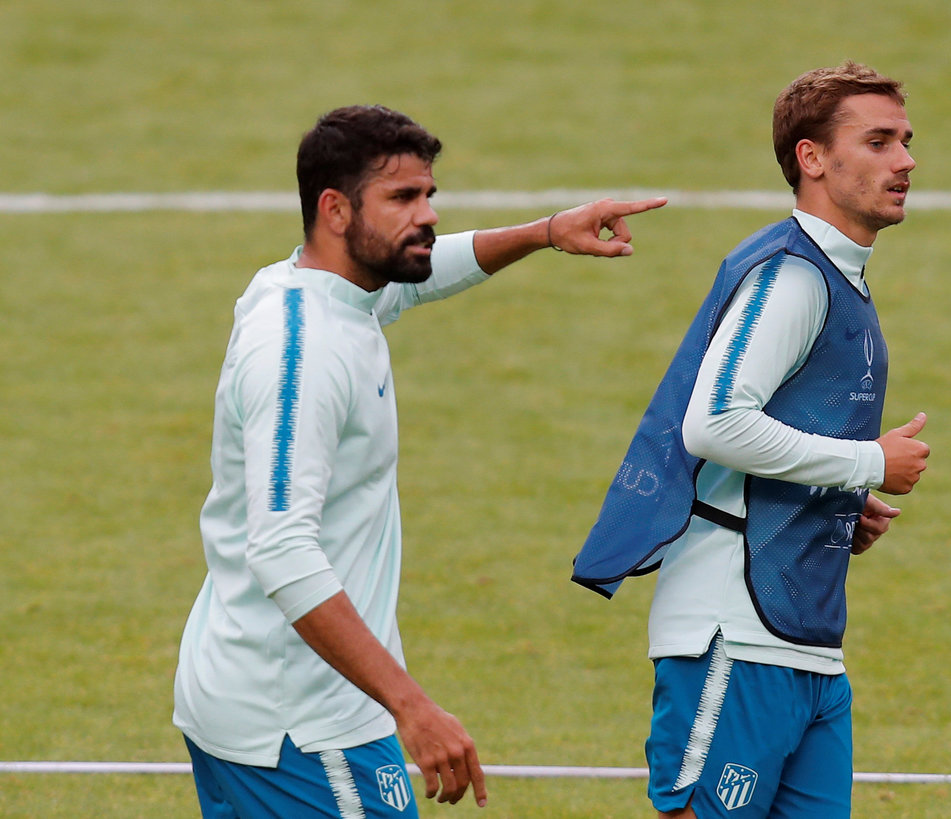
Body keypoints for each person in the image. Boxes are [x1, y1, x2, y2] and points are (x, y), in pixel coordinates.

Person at [172, 104, 666, 818]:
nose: (428, 214)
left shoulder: (324, 291)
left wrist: (545, 232)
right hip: (303, 725)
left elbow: (421, 276)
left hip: (262, 703)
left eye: (429, 194)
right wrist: (412, 706)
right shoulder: (302, 355)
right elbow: (281, 549)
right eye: (403, 197)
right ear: (336, 210)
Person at [572, 62, 930, 818]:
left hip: (806, 644)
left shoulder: (837, 275)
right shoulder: (794, 277)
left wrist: (837, 498)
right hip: (735, 636)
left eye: (905, 140)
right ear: (812, 158)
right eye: (878, 142)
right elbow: (716, 422)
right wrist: (868, 461)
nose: (904, 160)